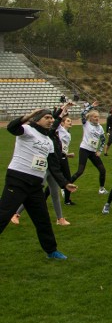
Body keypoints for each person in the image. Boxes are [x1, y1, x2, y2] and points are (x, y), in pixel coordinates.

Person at [0, 108, 77, 260]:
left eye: (51, 118)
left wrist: (64, 184)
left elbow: (53, 166)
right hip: (18, 180)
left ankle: (51, 251)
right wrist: (28, 116)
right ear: (37, 119)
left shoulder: (48, 141)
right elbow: (11, 127)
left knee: (43, 220)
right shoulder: (27, 130)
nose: (50, 120)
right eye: (47, 117)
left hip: (35, 185)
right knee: (3, 215)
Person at [71, 103, 108, 194]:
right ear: (90, 118)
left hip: (93, 152)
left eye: (98, 117)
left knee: (102, 170)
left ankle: (101, 189)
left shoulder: (100, 128)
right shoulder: (86, 123)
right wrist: (91, 106)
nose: (97, 118)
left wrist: (99, 150)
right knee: (80, 171)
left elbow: (103, 140)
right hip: (84, 149)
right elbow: (83, 113)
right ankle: (65, 186)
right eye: (95, 117)